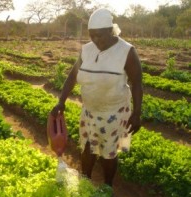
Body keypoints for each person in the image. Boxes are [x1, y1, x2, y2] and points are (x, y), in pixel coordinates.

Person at [51, 8, 143, 187]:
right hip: (90, 111)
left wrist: (137, 113)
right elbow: (72, 75)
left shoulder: (126, 51)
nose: (95, 40)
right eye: (92, 35)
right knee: (87, 147)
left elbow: (137, 83)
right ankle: (85, 181)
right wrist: (61, 100)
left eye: (100, 35)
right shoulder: (87, 50)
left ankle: (107, 186)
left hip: (114, 112)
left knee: (108, 153)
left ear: (110, 30)